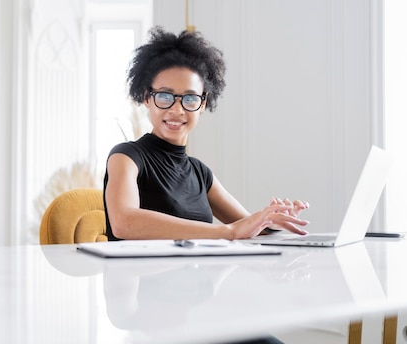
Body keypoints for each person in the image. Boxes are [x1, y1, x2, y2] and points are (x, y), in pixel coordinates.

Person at [103, 26, 310, 242]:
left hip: (197, 275)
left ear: (203, 104)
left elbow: (249, 226)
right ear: (147, 97)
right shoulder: (126, 157)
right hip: (136, 275)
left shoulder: (200, 173)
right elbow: (124, 222)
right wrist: (227, 232)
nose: (177, 109)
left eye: (190, 98)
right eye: (165, 96)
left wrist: (271, 220)